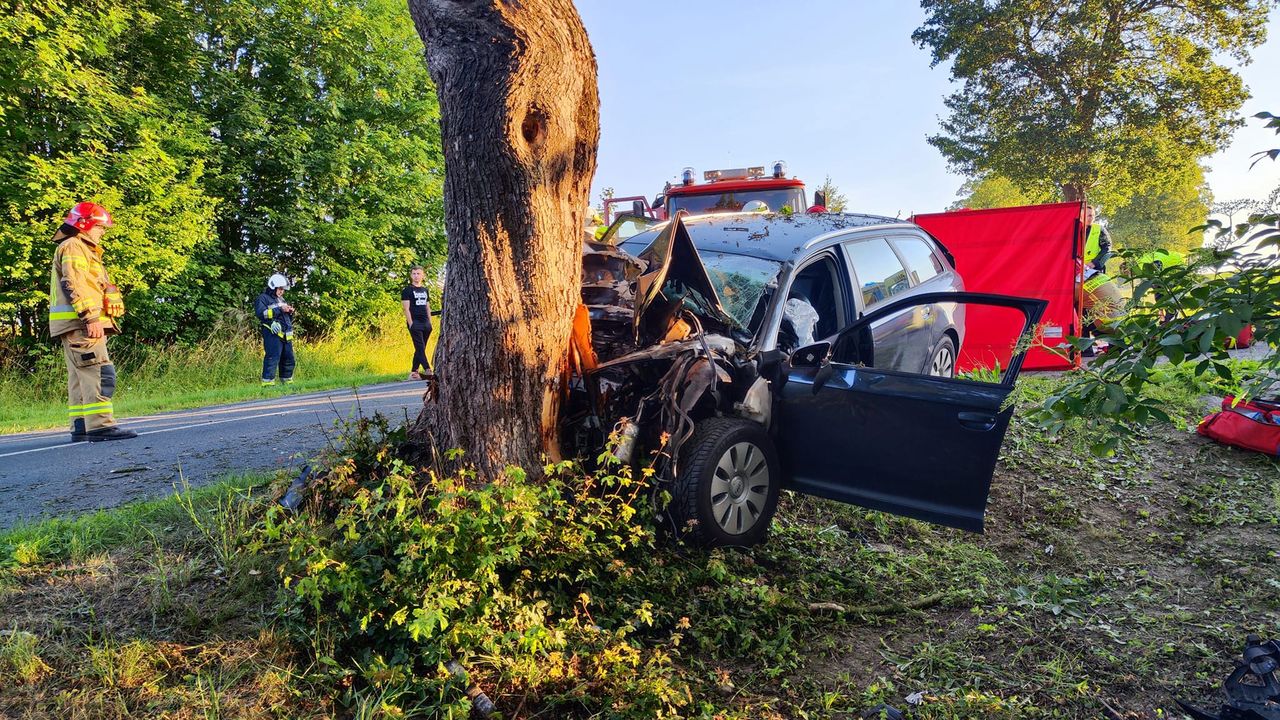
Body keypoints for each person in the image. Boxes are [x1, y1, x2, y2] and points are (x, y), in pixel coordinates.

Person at [47, 202, 137, 441]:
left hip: (73, 324)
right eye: (100, 227)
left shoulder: (75, 247)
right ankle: (101, 425)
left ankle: (81, 425)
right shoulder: (75, 246)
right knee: (98, 371)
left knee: (79, 376)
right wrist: (91, 317)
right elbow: (74, 284)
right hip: (83, 323)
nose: (102, 232)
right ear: (84, 224)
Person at [254, 274, 296, 386]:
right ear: (273, 287)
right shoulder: (262, 298)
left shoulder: (281, 299)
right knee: (272, 357)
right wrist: (279, 309)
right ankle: (268, 383)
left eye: (283, 289)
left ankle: (287, 382)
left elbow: (285, 317)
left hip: (285, 334)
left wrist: (290, 312)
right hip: (272, 333)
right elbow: (262, 314)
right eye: (280, 289)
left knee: (288, 358)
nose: (282, 291)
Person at [401, 266, 433, 380]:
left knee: (421, 348)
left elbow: (428, 307)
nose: (416, 276)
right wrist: (411, 324)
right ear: (411, 275)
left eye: (418, 273)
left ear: (422, 275)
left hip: (426, 323)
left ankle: (414, 372)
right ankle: (428, 369)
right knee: (419, 347)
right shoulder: (407, 290)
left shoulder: (425, 290)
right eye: (414, 273)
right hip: (415, 322)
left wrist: (430, 322)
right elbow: (406, 308)